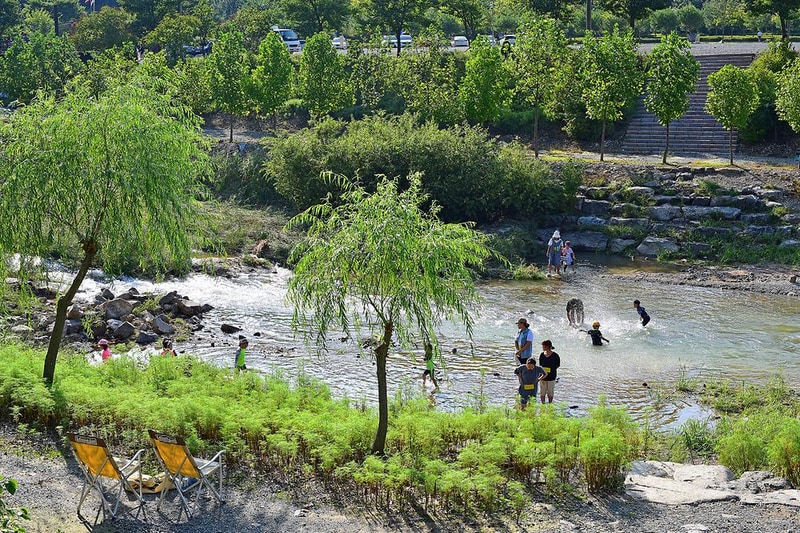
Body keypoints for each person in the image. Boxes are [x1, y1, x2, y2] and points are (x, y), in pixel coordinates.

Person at [538, 340, 560, 404]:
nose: (542, 347)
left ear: (547, 346)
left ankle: (550, 404)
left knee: (550, 392)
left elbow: (557, 365)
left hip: (551, 377)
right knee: (542, 392)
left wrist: (551, 370)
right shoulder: (542, 355)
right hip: (543, 376)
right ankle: (543, 404)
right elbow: (540, 365)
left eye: (543, 346)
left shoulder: (555, 355)